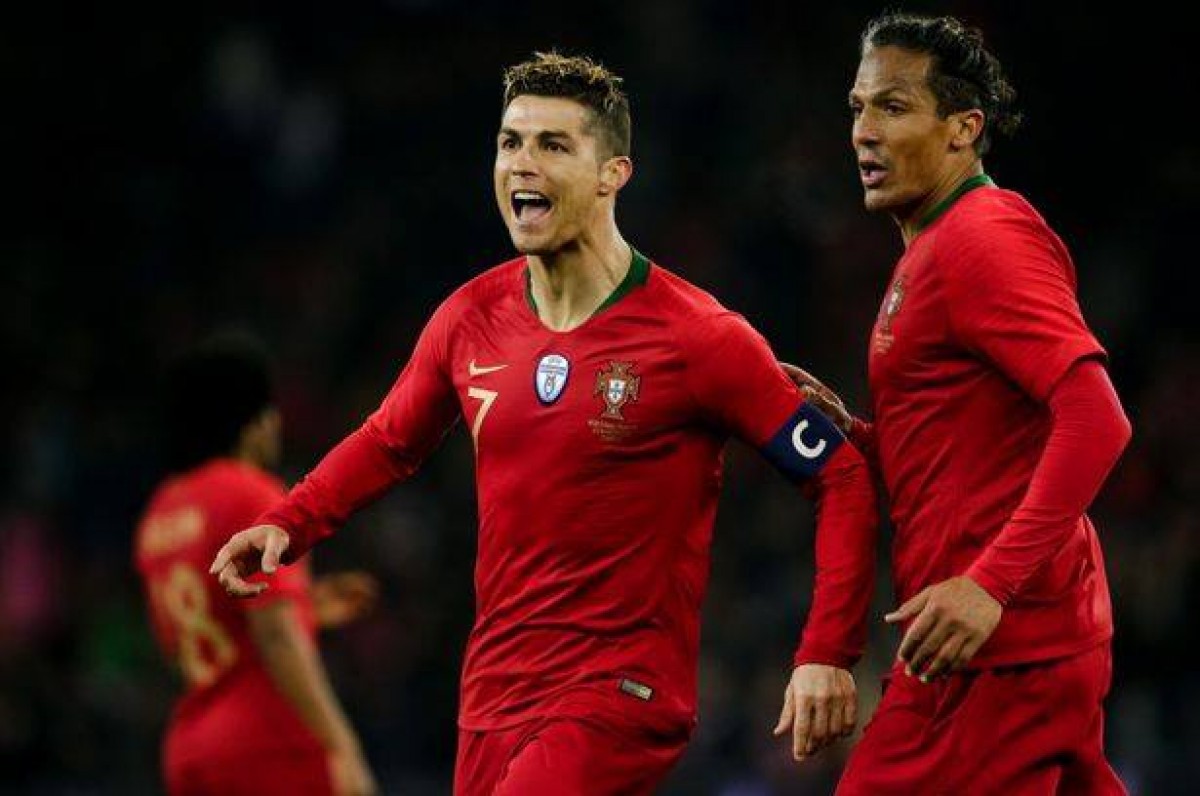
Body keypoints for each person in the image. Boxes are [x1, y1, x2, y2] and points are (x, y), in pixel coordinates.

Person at [210, 52, 879, 794]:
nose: (522, 164)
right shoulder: (469, 318)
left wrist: (826, 652)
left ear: (612, 174)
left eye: (553, 145)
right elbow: (390, 441)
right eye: (511, 143)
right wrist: (290, 521)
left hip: (617, 693)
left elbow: (841, 476)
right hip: (493, 698)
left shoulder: (700, 337)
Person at [783, 12, 1132, 794]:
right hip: (1014, 646)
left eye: (893, 107)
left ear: (963, 129)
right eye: (857, 108)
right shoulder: (936, 244)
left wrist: (989, 585)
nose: (864, 132)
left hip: (999, 655)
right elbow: (973, 454)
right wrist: (862, 439)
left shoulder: (983, 237)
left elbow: (1097, 417)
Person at [134, 332, 379, 796]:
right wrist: (341, 745)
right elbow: (276, 636)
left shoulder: (161, 511)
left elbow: (198, 631)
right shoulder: (251, 492)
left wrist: (306, 608)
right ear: (252, 424)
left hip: (191, 749)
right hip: (267, 744)